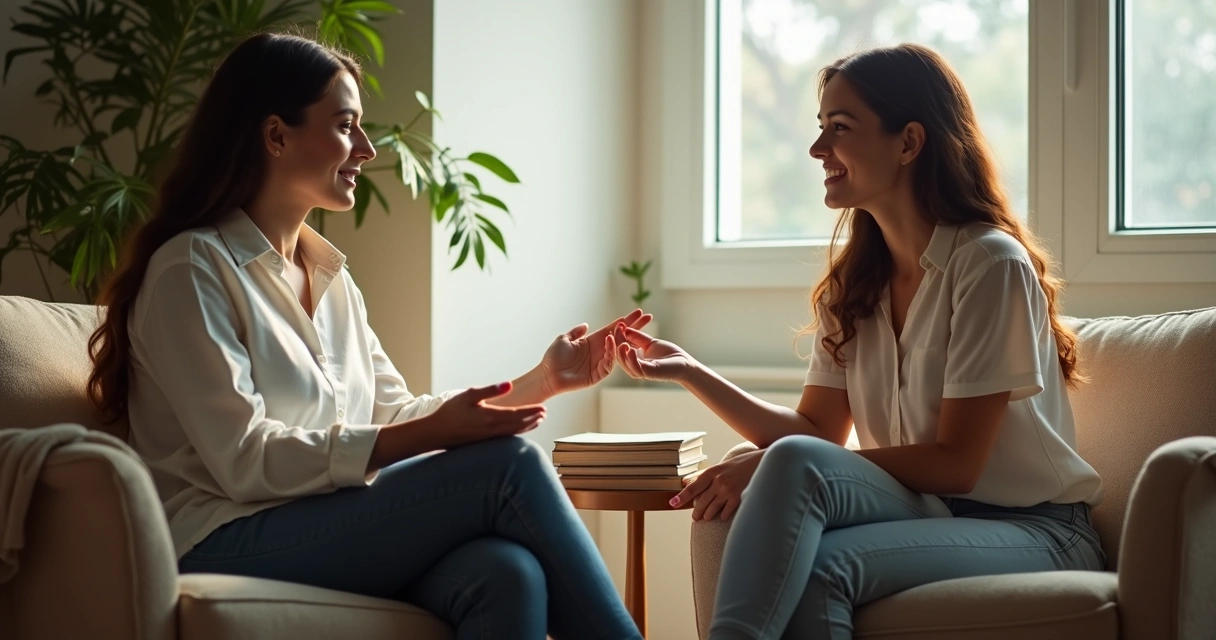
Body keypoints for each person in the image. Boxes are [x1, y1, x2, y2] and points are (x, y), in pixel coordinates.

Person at [86, 32, 646, 640]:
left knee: (507, 572)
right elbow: (244, 460)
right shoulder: (192, 269)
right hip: (221, 535)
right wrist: (416, 436)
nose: (368, 149)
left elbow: (396, 412)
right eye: (347, 125)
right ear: (276, 136)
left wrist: (545, 380)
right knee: (508, 469)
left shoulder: (332, 280)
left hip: (319, 521)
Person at [613, 44, 1105, 640]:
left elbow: (958, 464)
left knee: (808, 530)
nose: (819, 150)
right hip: (929, 510)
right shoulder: (855, 282)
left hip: (1037, 530)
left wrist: (776, 465)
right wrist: (691, 371)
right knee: (793, 509)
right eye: (820, 129)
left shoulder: (987, 264)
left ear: (908, 142)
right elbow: (816, 433)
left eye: (839, 129)